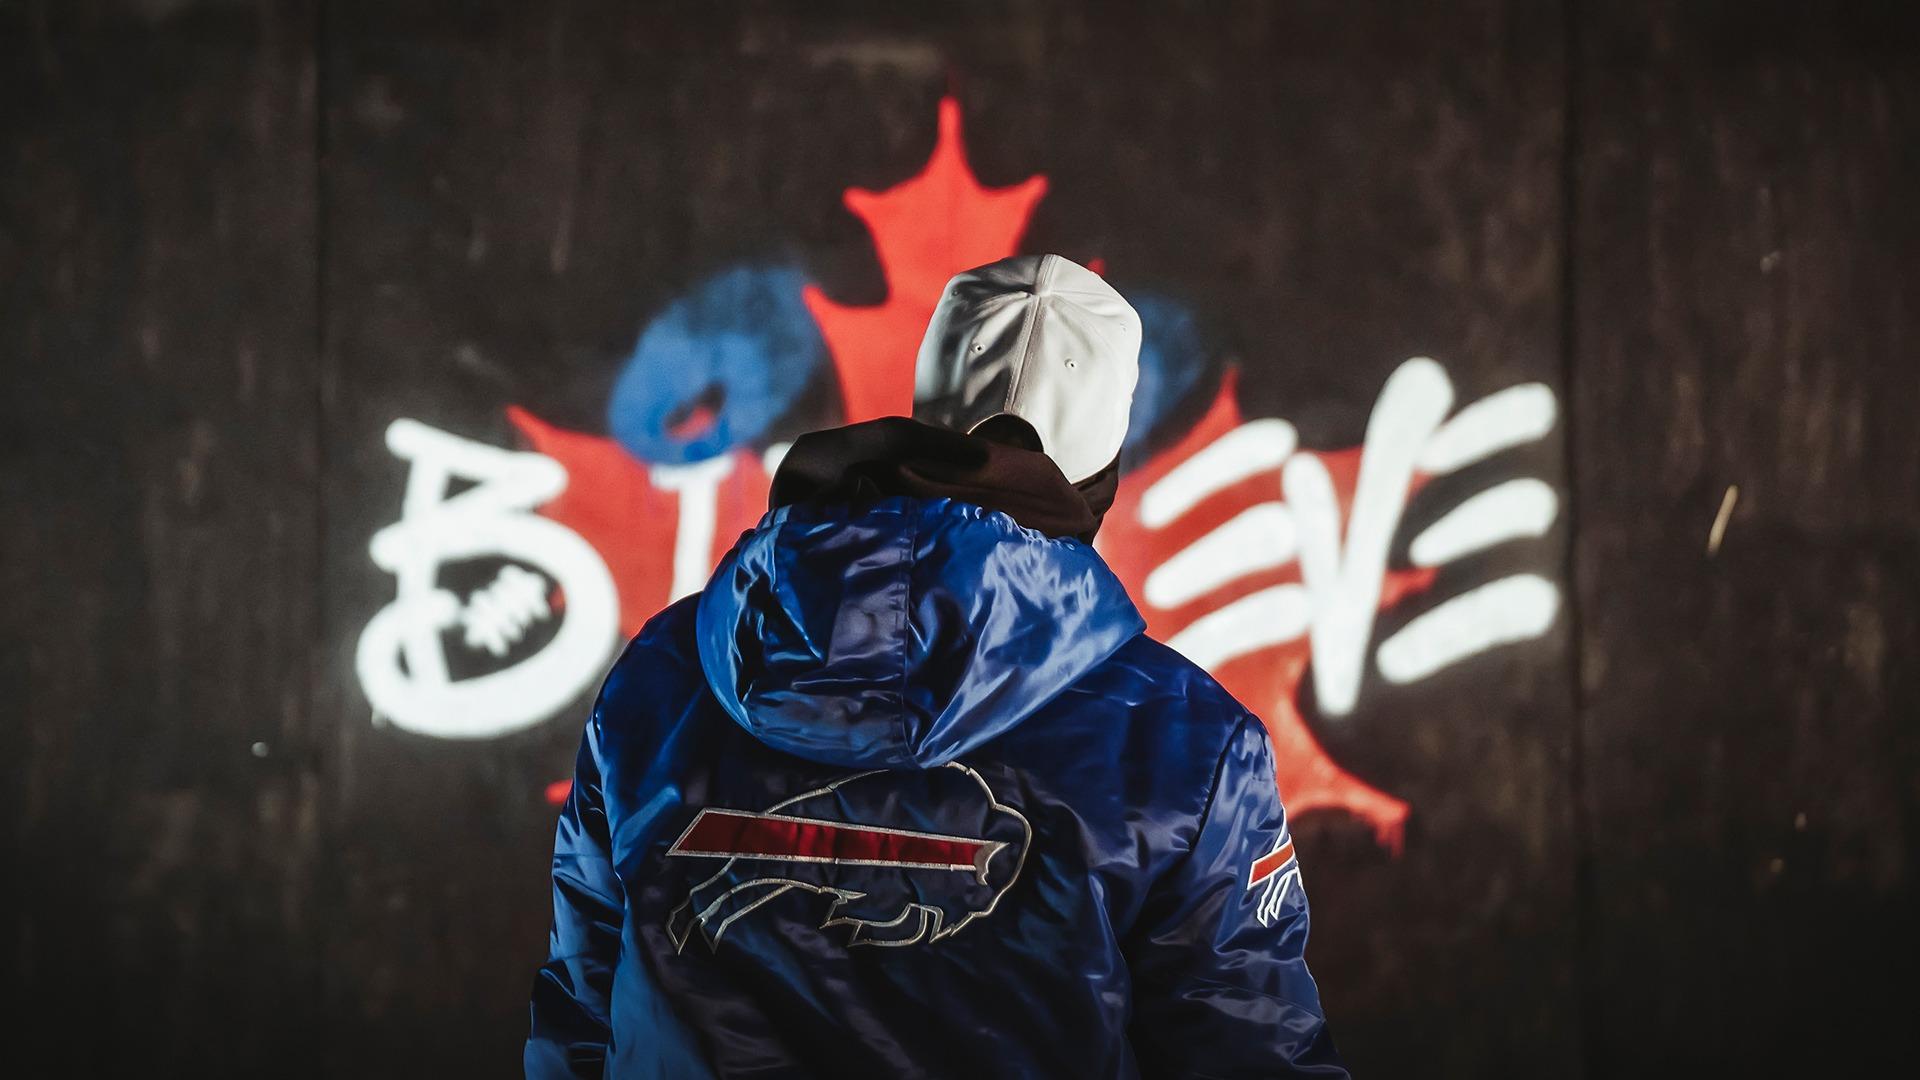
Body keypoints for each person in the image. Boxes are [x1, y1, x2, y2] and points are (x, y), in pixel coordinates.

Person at [526, 254, 1348, 1078]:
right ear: (1101, 470)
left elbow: (578, 1015)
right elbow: (1252, 1053)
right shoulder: (1190, 745)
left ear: (926, 413)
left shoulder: (664, 674)